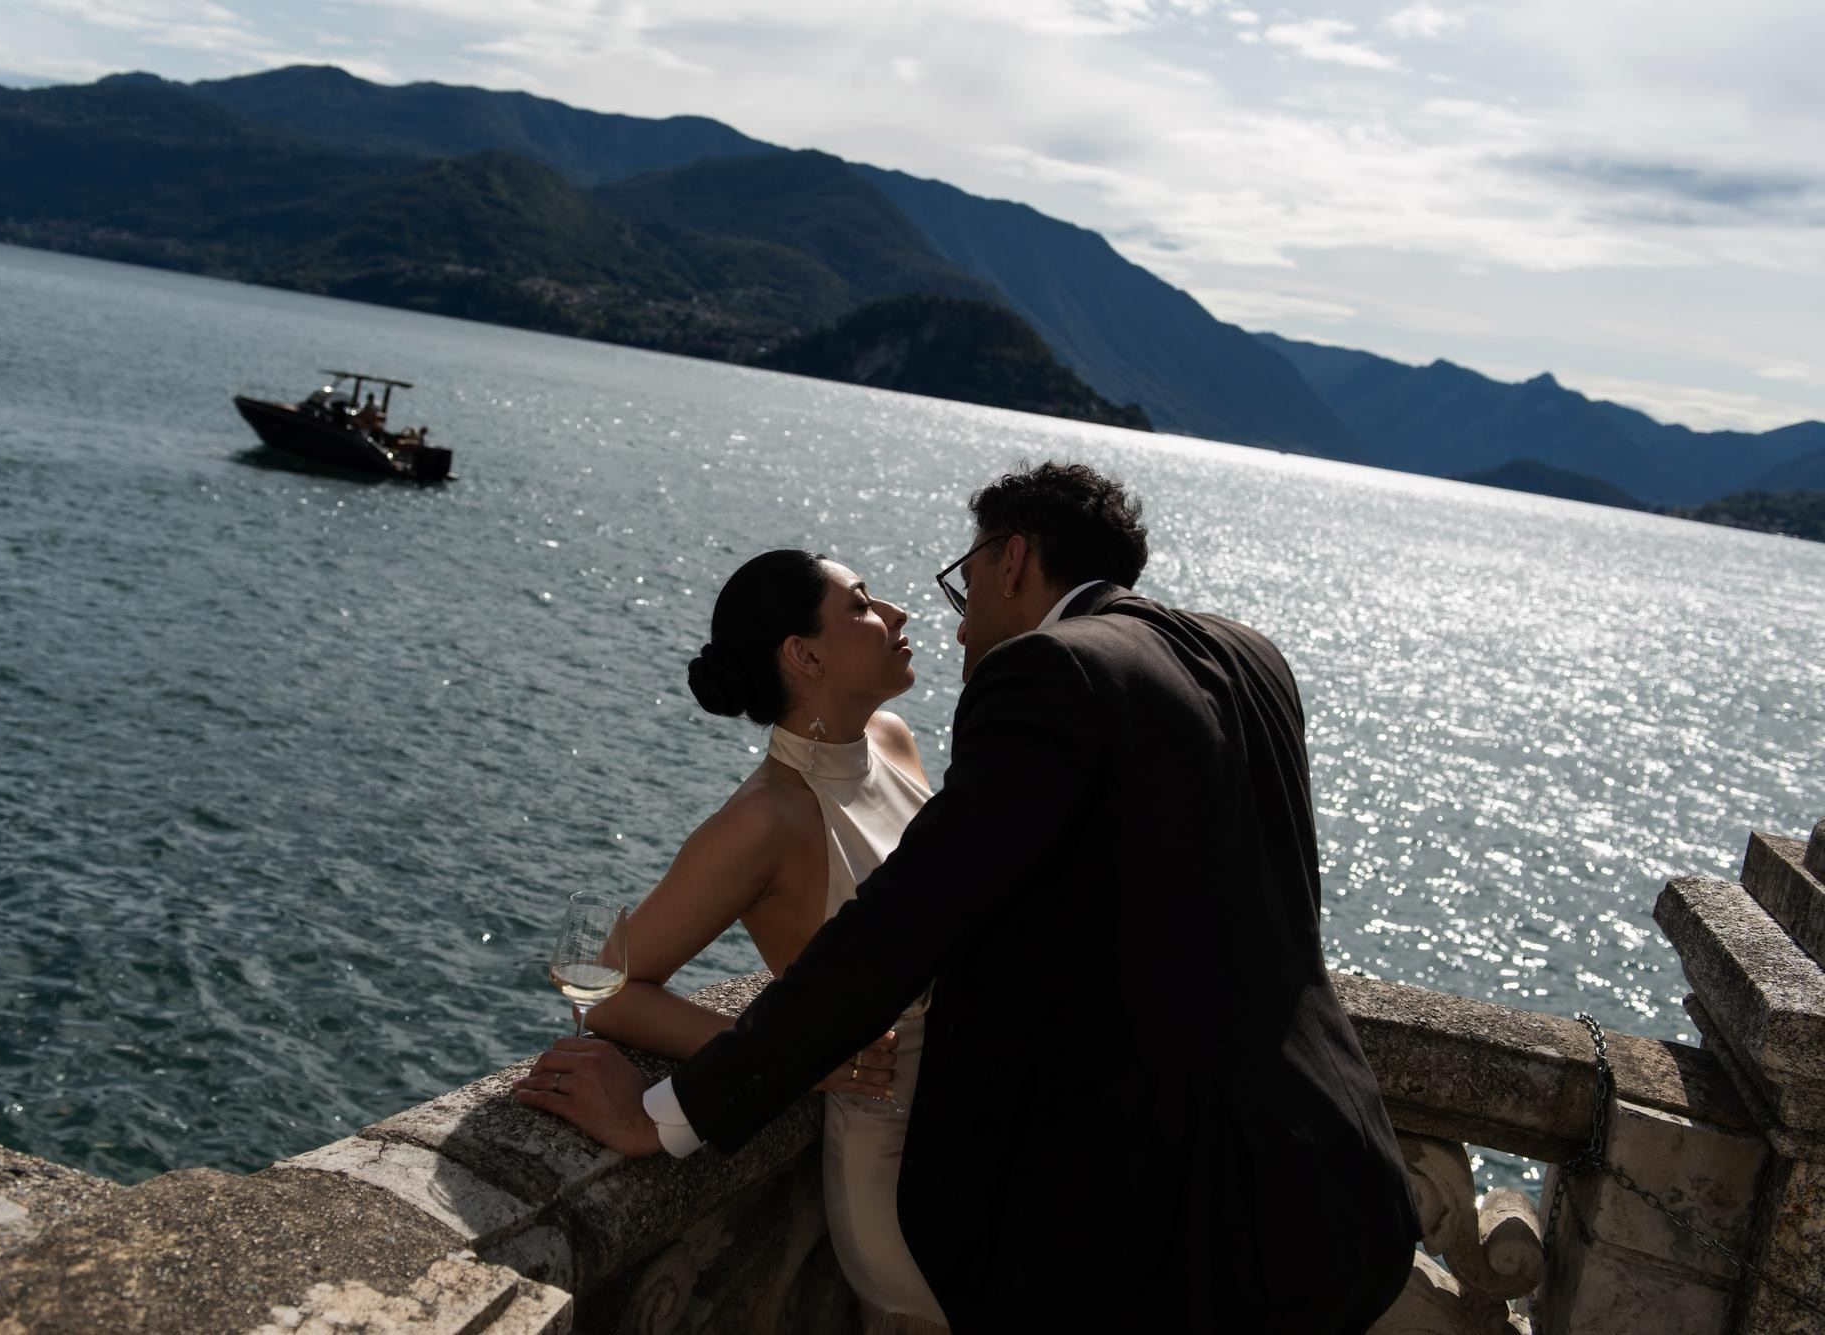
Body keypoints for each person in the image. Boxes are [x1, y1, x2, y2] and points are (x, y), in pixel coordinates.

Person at [518, 462, 1421, 1331]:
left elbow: (904, 924)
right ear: (803, 654)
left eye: (966, 575)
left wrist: (669, 1116)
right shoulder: (1248, 653)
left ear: (1015, 560)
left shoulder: (1046, 674)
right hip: (1341, 1173)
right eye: (865, 602)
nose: (936, 612)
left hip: (1188, 1220)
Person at [579, 548, 949, 1331]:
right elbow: (601, 987)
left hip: (977, 1122)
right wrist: (799, 1054)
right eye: (862, 604)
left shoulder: (890, 737)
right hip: (899, 1173)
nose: (897, 615)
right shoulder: (766, 818)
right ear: (804, 654)